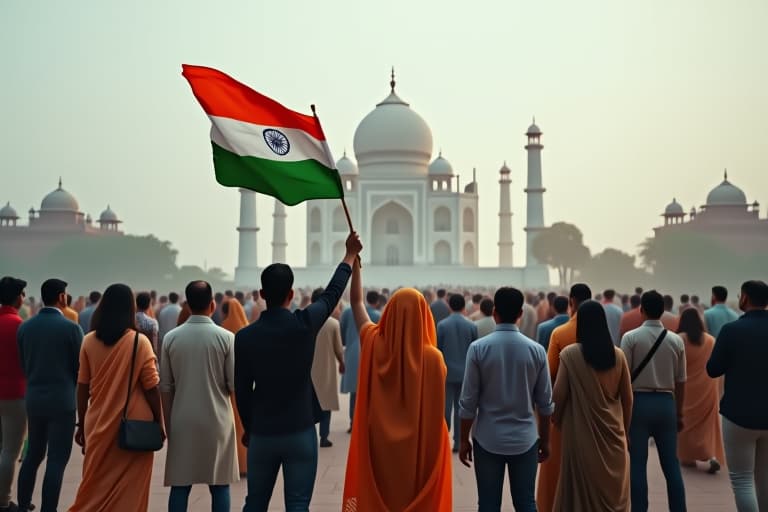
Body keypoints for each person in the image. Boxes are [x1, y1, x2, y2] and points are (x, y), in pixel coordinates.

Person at [235, 232, 361, 511]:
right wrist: (349, 256)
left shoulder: (245, 337)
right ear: (291, 295)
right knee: (298, 504)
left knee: (254, 503)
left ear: (262, 295)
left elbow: (242, 391)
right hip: (299, 429)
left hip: (263, 432)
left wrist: (249, 428)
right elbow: (331, 296)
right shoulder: (304, 325)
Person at [343, 262, 452, 511]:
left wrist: (355, 266)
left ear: (389, 312)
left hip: (379, 444)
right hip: (419, 450)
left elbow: (357, 304)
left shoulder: (374, 344)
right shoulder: (434, 359)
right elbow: (437, 417)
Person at [68, 284, 164, 511]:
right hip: (134, 426)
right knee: (131, 491)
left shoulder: (89, 341)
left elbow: (82, 387)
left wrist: (81, 423)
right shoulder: (139, 342)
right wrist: (159, 422)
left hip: (98, 424)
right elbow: (152, 387)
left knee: (94, 487)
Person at [459, 287, 553, 511]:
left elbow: (468, 403)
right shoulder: (537, 351)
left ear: (494, 313)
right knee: (526, 503)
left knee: (489, 504)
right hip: (525, 438)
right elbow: (546, 404)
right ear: (521, 314)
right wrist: (546, 440)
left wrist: (463, 439)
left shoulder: (478, 349)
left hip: (487, 437)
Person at [161, 281, 238, 512]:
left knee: (181, 486)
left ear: (187, 304)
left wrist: (167, 422)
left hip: (182, 420)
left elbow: (165, 387)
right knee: (220, 485)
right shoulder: (226, 338)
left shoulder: (171, 338)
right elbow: (233, 384)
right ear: (213, 304)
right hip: (218, 420)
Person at [552, 300, 632, 511]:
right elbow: (628, 399)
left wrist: (555, 421)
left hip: (580, 436)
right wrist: (625, 429)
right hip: (614, 436)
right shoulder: (618, 355)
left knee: (580, 496)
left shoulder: (570, 355)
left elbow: (558, 396)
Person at [16, 278, 83, 512]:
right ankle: (49, 509)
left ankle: (23, 504)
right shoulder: (71, 328)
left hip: (34, 397)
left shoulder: (25, 327)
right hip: (62, 399)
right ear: (62, 297)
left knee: (33, 454)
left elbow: (23, 364)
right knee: (56, 459)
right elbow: (80, 369)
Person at [621, 290, 687, 512]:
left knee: (638, 465)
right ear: (663, 311)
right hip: (666, 404)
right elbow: (681, 381)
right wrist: (679, 413)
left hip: (638, 403)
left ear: (642, 310)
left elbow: (624, 379)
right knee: (671, 465)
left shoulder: (630, 338)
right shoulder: (676, 340)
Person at [707, 280, 768, 511]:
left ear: (744, 298)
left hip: (739, 414)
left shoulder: (732, 330)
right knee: (765, 479)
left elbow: (713, 369)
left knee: (742, 480)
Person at [537, 283, 591, 512]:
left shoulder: (560, 334)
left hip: (565, 409)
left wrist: (547, 411)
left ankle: (553, 504)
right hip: (592, 410)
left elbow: (549, 373)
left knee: (557, 464)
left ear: (572, 302)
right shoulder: (604, 338)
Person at [676, 308, 724, 473]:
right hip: (707, 388)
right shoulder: (711, 340)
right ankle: (711, 456)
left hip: (686, 390)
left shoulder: (679, 340)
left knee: (686, 424)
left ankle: (688, 457)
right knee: (706, 426)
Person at [437, 294, 478, 452]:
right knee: (462, 409)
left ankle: (442, 441)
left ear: (449, 306)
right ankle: (459, 442)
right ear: (463, 307)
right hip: (465, 373)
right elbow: (475, 351)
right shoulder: (471, 326)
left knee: (445, 408)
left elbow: (438, 350)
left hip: (446, 372)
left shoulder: (442, 325)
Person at [0, 277, 27, 512]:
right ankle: (4, 500)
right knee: (10, 450)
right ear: (17, 297)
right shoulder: (19, 325)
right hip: (15, 393)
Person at [340, 290, 381, 433]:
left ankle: (353, 423)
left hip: (352, 353)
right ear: (376, 302)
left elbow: (342, 333)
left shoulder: (347, 312)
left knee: (355, 393)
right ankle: (368, 424)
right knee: (371, 392)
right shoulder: (377, 315)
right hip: (371, 355)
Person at [309, 288, 344, 448]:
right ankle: (324, 437)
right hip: (327, 368)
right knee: (326, 404)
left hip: (307, 368)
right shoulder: (333, 324)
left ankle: (309, 436)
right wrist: (342, 363)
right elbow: (338, 348)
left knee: (308, 404)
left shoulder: (303, 320)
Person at [220, 299, 250, 476]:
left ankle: (233, 463)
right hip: (243, 385)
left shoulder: (223, 329)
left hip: (227, 386)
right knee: (243, 425)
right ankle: (246, 463)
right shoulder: (246, 328)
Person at [135, 291, 159, 357]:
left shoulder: (130, 320)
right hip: (147, 354)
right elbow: (154, 345)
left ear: (136, 304)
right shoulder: (153, 323)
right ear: (148, 305)